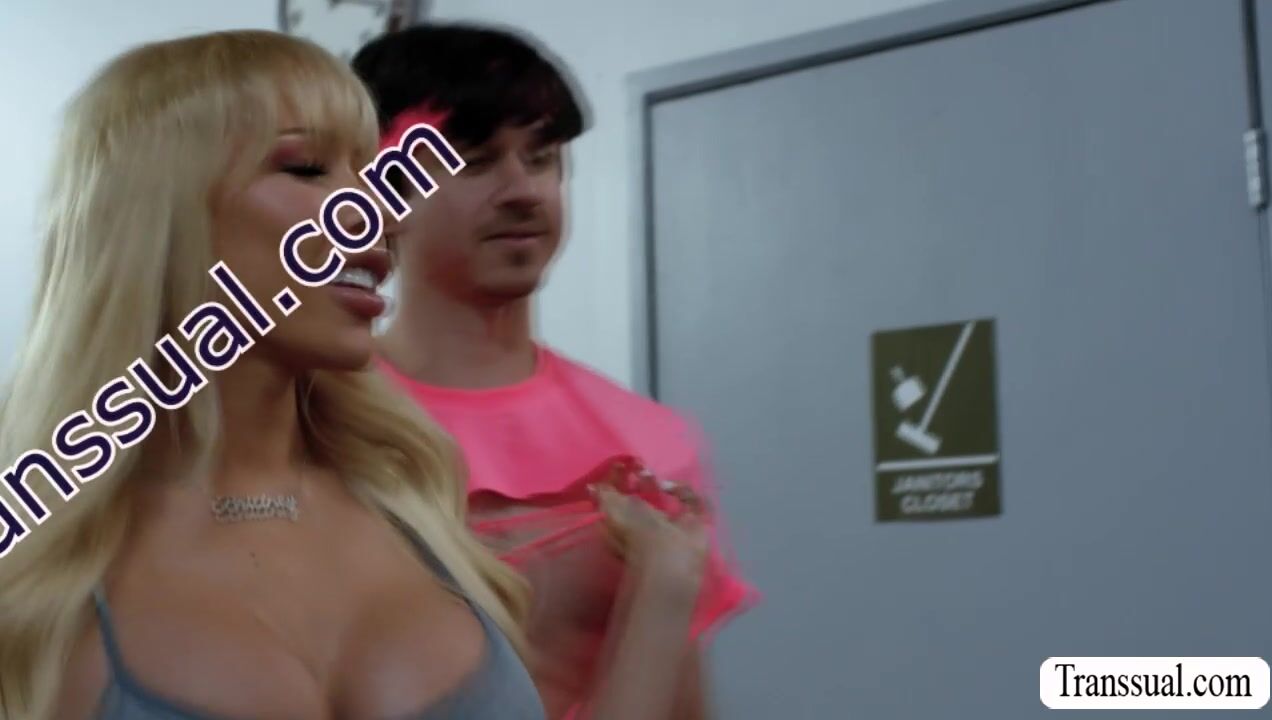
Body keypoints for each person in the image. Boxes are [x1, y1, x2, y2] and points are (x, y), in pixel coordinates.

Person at [0, 30, 547, 720]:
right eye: (309, 168)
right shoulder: (33, 570)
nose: (379, 214)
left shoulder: (420, 508)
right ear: (160, 215)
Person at [352, 23, 759, 719]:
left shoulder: (648, 441)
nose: (522, 190)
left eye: (541, 159)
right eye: (475, 162)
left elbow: (683, 705)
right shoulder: (321, 417)